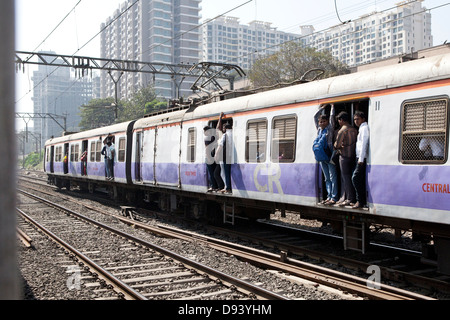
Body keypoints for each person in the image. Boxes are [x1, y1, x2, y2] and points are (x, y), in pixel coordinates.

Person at [313, 104, 338, 205]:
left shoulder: (330, 128)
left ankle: (334, 197)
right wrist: (322, 108)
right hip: (321, 157)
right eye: (321, 121)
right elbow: (315, 117)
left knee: (333, 177)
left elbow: (332, 117)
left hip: (329, 156)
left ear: (327, 122)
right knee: (327, 178)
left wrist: (332, 106)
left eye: (324, 121)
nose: (322, 123)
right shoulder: (319, 130)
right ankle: (328, 196)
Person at [334, 111, 358, 207]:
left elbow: (337, 145)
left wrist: (337, 145)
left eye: (339, 120)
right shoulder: (354, 129)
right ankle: (351, 197)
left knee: (345, 177)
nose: (338, 122)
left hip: (344, 156)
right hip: (353, 155)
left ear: (341, 120)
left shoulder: (342, 130)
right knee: (351, 177)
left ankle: (349, 198)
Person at [351, 111, 370, 209]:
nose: (355, 121)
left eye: (357, 119)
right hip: (359, 157)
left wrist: (361, 159)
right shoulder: (361, 128)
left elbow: (364, 144)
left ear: (363, 119)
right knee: (359, 179)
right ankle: (359, 200)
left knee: (355, 178)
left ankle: (360, 201)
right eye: (354, 119)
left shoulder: (364, 128)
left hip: (361, 158)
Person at [215, 112, 233, 194]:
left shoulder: (224, 135)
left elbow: (220, 146)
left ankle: (227, 187)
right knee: (226, 172)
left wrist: (216, 155)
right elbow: (218, 128)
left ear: (226, 128)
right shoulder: (232, 134)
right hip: (230, 157)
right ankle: (227, 187)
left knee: (223, 173)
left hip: (224, 157)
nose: (222, 128)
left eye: (224, 127)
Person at [203, 125, 219, 192]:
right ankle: (216, 185)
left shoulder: (207, 138)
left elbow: (207, 148)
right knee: (214, 172)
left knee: (211, 173)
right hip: (214, 156)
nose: (204, 133)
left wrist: (208, 158)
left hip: (209, 157)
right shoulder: (214, 137)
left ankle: (213, 186)